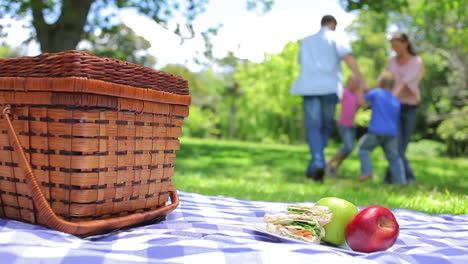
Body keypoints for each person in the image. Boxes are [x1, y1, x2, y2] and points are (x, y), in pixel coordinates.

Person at [290, 15, 365, 182]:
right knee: (324, 126)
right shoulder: (337, 37)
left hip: (308, 86)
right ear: (333, 24)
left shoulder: (306, 41)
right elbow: (348, 58)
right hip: (329, 87)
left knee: (313, 127)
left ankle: (315, 165)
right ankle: (318, 163)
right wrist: (361, 78)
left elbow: (302, 63)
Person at [385, 32, 425, 184]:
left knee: (401, 147)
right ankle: (399, 178)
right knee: (394, 144)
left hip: (408, 107)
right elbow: (386, 80)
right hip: (393, 107)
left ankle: (401, 177)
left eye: (396, 45)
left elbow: (404, 84)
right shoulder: (391, 62)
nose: (394, 48)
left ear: (405, 43)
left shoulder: (416, 61)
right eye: (392, 46)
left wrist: (389, 100)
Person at [357, 71, 406, 185]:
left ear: (380, 83)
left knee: (363, 150)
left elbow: (361, 102)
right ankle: (401, 181)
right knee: (394, 158)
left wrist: (361, 89)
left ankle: (367, 171)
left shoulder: (377, 92)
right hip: (392, 133)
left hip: (376, 130)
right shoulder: (395, 100)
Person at [326, 75, 365, 177]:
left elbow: (361, 103)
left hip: (351, 125)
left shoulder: (356, 94)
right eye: (353, 83)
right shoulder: (345, 92)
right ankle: (328, 162)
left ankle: (336, 168)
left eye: (356, 83)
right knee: (348, 147)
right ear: (348, 83)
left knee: (349, 149)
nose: (354, 85)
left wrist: (360, 89)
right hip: (343, 124)